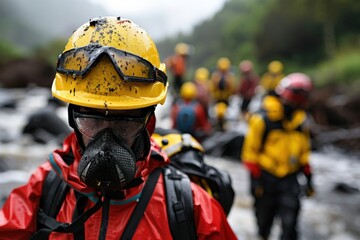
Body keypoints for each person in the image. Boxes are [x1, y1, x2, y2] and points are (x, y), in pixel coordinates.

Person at [0, 17, 237, 239]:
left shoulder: (189, 207)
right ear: (72, 119)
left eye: (123, 121)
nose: (106, 140)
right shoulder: (45, 189)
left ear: (149, 123)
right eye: (92, 120)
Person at [241, 72, 315, 240]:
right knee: (264, 223)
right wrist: (255, 180)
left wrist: (308, 174)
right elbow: (250, 151)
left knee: (290, 225)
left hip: (290, 178)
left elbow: (304, 149)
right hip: (266, 177)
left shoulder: (301, 121)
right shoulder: (263, 119)